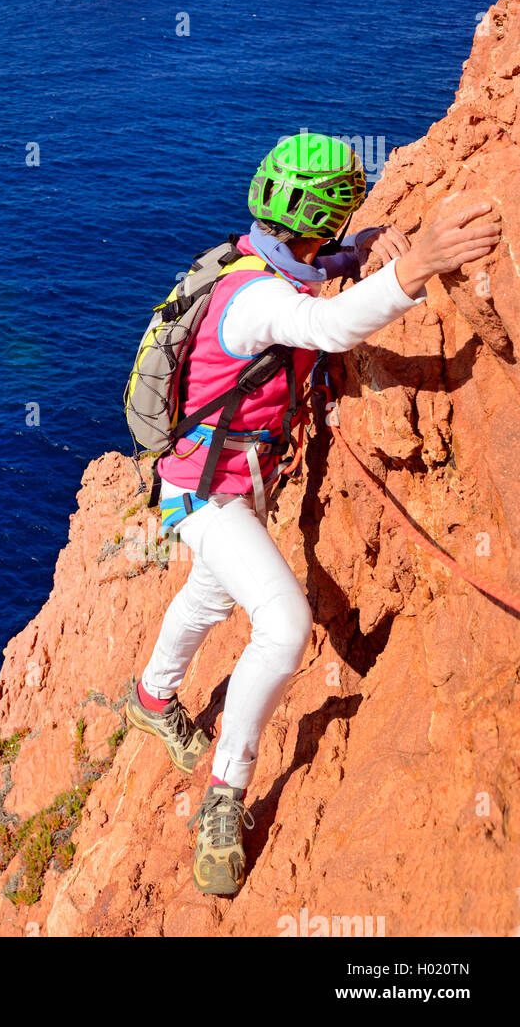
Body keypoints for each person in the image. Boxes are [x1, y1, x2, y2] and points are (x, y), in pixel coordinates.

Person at [125, 132, 501, 895]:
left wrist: (356, 250)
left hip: (217, 477)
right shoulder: (259, 298)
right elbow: (326, 328)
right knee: (286, 626)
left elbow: (310, 269)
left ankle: (152, 698)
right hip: (207, 493)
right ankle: (227, 792)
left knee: (210, 593)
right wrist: (415, 265)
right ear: (323, 213)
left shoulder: (253, 258)